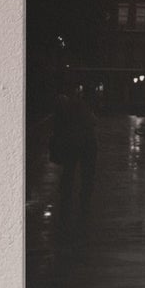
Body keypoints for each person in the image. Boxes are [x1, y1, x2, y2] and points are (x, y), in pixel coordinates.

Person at [51, 88, 99, 223]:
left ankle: (66, 196)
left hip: (72, 144)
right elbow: (93, 122)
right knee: (87, 174)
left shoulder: (64, 112)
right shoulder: (83, 108)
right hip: (88, 144)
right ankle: (84, 200)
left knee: (69, 171)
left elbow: (57, 131)